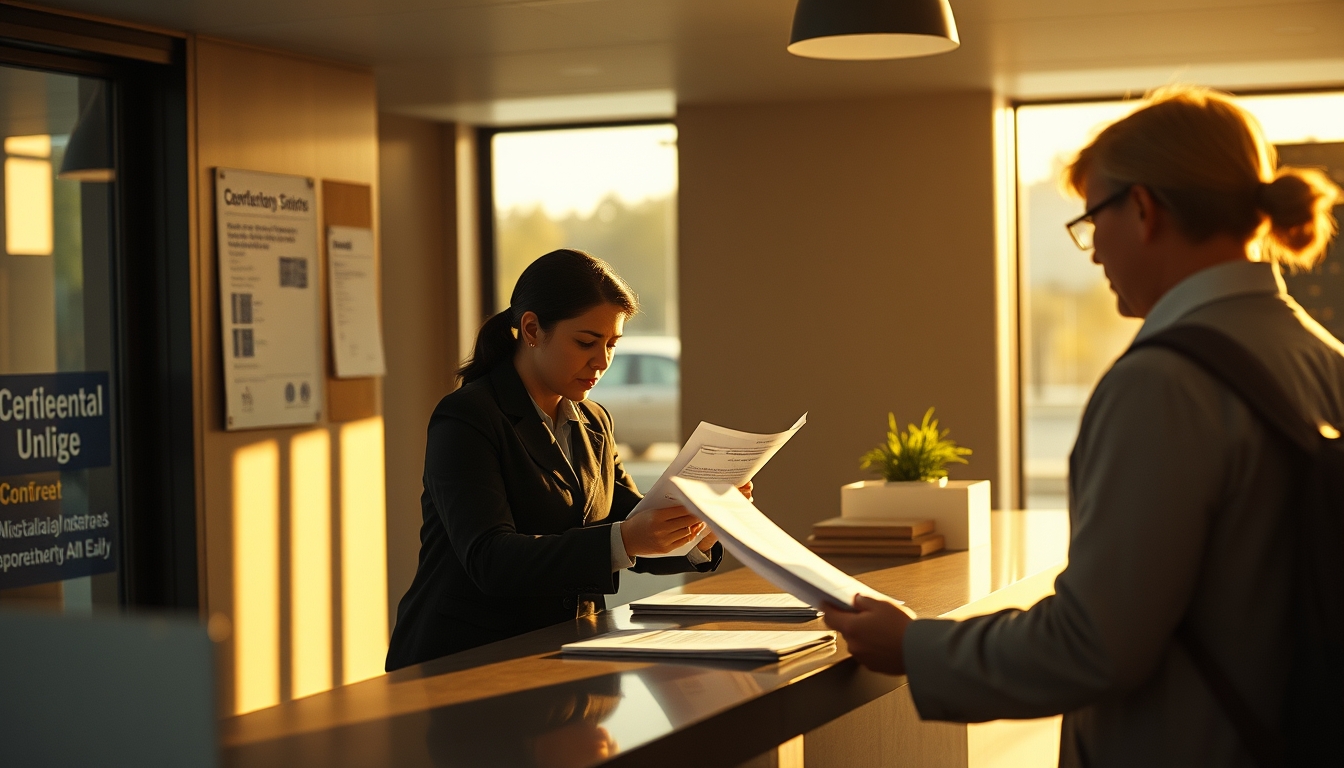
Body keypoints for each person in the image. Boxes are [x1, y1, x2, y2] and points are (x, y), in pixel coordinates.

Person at [822, 86, 1344, 766]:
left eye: (1092, 220)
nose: (1093, 252)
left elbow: (1094, 643)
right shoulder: (1325, 361)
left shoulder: (1162, 384)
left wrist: (915, 647)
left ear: (1144, 208)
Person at [387, 249, 731, 671]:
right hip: (469, 660)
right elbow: (490, 559)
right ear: (531, 329)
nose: (602, 361)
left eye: (611, 344)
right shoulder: (468, 416)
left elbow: (632, 520)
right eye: (586, 342)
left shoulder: (593, 421)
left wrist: (700, 529)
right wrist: (626, 539)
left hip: (567, 653)